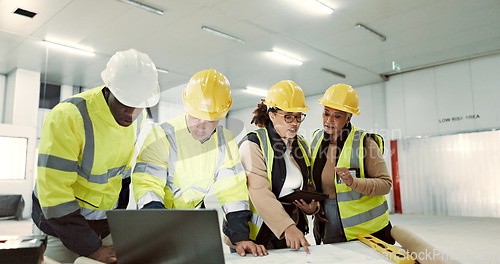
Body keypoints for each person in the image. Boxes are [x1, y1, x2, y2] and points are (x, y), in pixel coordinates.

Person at [31, 48, 160, 264]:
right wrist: (92, 248)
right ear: (108, 90)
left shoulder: (137, 116)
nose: (131, 111)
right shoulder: (68, 116)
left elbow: (122, 175)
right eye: (124, 101)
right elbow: (54, 196)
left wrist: (116, 224)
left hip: (103, 223)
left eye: (138, 103)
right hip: (59, 225)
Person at [132, 69, 267, 257]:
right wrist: (158, 229)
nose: (201, 125)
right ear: (186, 105)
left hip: (192, 220)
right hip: (157, 218)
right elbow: (148, 186)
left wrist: (240, 237)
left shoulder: (225, 141)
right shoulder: (161, 136)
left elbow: (232, 192)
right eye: (196, 116)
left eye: (211, 119)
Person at [310, 83, 395, 245]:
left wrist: (354, 182)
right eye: (326, 113)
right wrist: (315, 205)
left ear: (349, 117)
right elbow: (313, 180)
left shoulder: (365, 143)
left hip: (367, 230)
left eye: (337, 116)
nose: (329, 120)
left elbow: (385, 184)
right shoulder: (316, 139)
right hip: (327, 223)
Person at [238, 80, 318, 253]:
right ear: (272, 115)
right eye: (288, 116)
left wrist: (313, 206)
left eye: (299, 116)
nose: (295, 122)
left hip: (289, 229)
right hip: (255, 235)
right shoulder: (253, 143)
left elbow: (308, 182)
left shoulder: (301, 144)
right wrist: (287, 227)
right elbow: (259, 191)